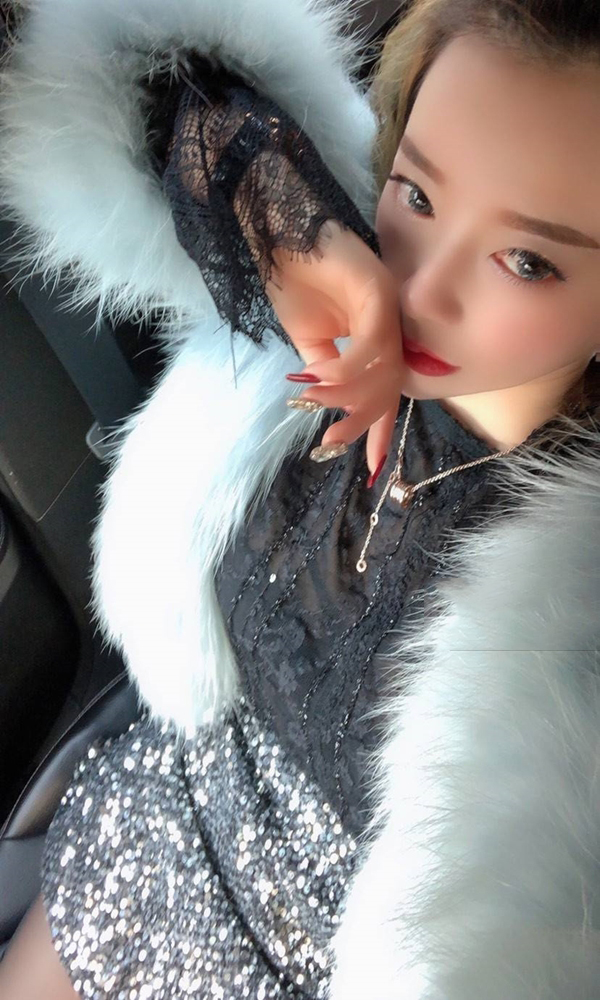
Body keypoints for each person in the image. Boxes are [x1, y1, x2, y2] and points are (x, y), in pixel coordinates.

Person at [0, 0, 599, 998]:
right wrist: (284, 228)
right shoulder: (322, 260)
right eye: (417, 192)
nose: (423, 289)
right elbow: (124, 77)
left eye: (528, 261)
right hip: (158, 827)